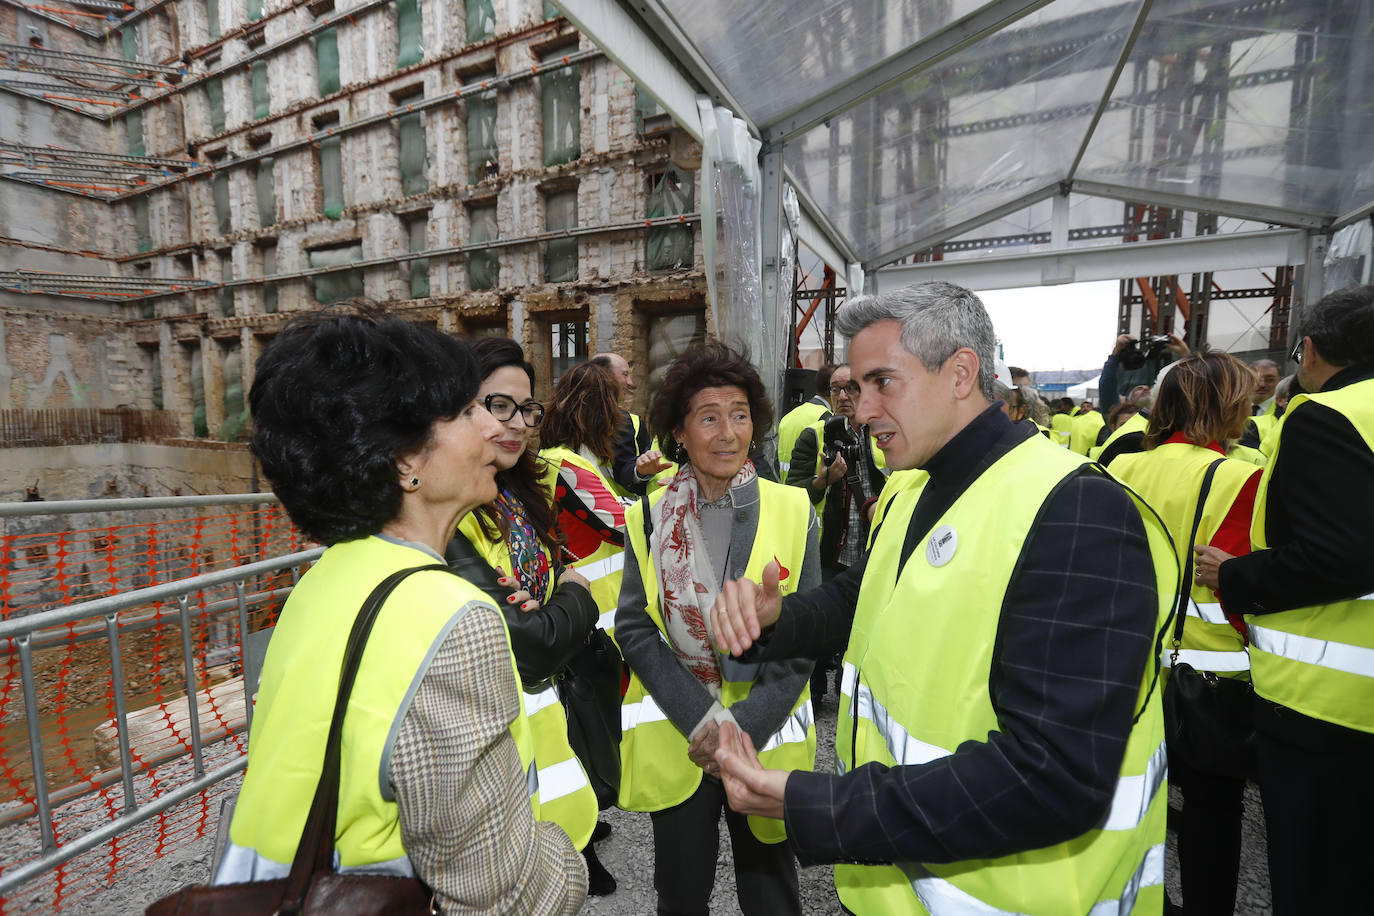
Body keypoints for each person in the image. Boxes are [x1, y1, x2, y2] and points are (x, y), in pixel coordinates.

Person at [708, 281, 1176, 916]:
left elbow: (1053, 776)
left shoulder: (1077, 512)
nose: (861, 409)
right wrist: (779, 620)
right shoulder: (914, 487)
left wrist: (817, 803)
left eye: (882, 383)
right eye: (855, 387)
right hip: (901, 885)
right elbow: (865, 600)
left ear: (960, 373)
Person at [218, 305, 586, 912]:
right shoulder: (450, 617)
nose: (491, 429)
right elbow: (502, 897)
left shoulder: (324, 581)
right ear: (405, 461)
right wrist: (562, 861)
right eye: (468, 411)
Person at [615, 341, 819, 916]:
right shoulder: (649, 516)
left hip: (765, 736)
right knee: (681, 895)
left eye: (740, 414)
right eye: (709, 417)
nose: (728, 432)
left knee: (771, 893)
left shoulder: (795, 509)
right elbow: (634, 626)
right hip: (681, 739)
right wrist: (705, 723)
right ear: (680, 432)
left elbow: (805, 635)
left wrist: (741, 729)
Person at [1195, 284, 1374, 915]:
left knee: (1321, 882)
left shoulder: (1329, 417)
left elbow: (1342, 557)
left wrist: (1237, 577)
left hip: (1328, 706)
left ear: (1312, 348)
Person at [444, 336, 615, 894]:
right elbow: (531, 638)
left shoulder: (519, 489)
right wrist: (575, 599)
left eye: (527, 409)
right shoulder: (449, 512)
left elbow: (552, 564)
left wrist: (556, 595)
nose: (517, 422)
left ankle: (579, 849)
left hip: (549, 699)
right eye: (499, 406)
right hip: (497, 721)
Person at [1106, 351, 1262, 916]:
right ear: (1227, 407)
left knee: (1127, 802)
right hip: (1212, 677)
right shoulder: (1240, 478)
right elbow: (1245, 586)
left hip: (1126, 666)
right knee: (1213, 816)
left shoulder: (1118, 468)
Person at [594, 351, 672, 496]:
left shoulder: (632, 423)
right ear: (604, 377)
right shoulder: (565, 423)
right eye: (625, 374)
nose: (630, 382)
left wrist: (640, 473)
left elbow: (628, 471)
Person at [776, 363, 835, 476]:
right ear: (832, 389)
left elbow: (776, 461)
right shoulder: (827, 418)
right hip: (813, 489)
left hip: (786, 489)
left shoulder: (789, 416)